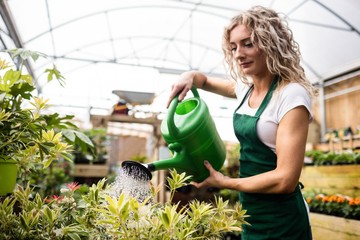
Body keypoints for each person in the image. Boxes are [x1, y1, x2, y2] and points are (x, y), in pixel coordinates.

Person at [166, 5, 317, 240]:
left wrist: (227, 182)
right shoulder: (245, 89)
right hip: (251, 213)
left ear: (271, 43)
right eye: (234, 47)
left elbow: (285, 179)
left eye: (248, 44)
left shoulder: (291, 95)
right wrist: (189, 76)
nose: (238, 54)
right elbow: (203, 80)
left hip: (282, 218)